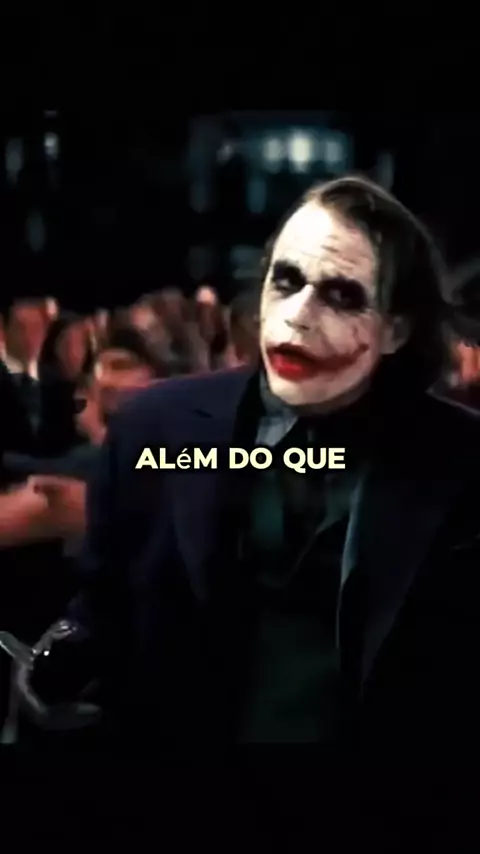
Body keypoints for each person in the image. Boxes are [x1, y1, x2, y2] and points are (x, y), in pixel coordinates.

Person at [19, 175, 480, 765]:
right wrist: (55, 670)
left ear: (397, 328)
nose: (298, 316)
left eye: (341, 296)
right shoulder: (157, 428)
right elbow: (104, 607)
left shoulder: (462, 459)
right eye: (284, 281)